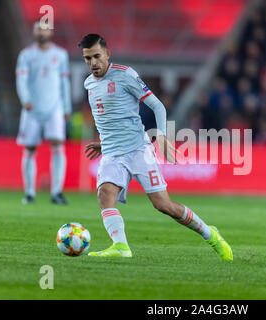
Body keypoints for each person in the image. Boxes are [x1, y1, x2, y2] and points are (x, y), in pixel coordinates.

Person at [79, 34, 232, 260]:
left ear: (107, 54)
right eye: (87, 58)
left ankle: (211, 235)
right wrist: (104, 144)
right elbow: (111, 120)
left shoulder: (126, 75)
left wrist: (160, 136)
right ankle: (121, 246)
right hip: (112, 153)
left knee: (163, 205)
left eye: (97, 56)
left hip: (139, 150)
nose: (93, 63)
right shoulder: (89, 83)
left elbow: (157, 106)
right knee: (105, 194)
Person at [16, 22, 71, 205]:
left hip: (54, 107)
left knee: (58, 145)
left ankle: (56, 192)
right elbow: (21, 80)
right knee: (30, 148)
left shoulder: (60, 55)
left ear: (51, 32)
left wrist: (67, 107)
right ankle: (30, 193)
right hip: (31, 109)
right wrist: (25, 100)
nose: (42, 32)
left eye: (45, 28)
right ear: (34, 32)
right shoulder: (26, 55)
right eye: (39, 29)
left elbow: (64, 83)